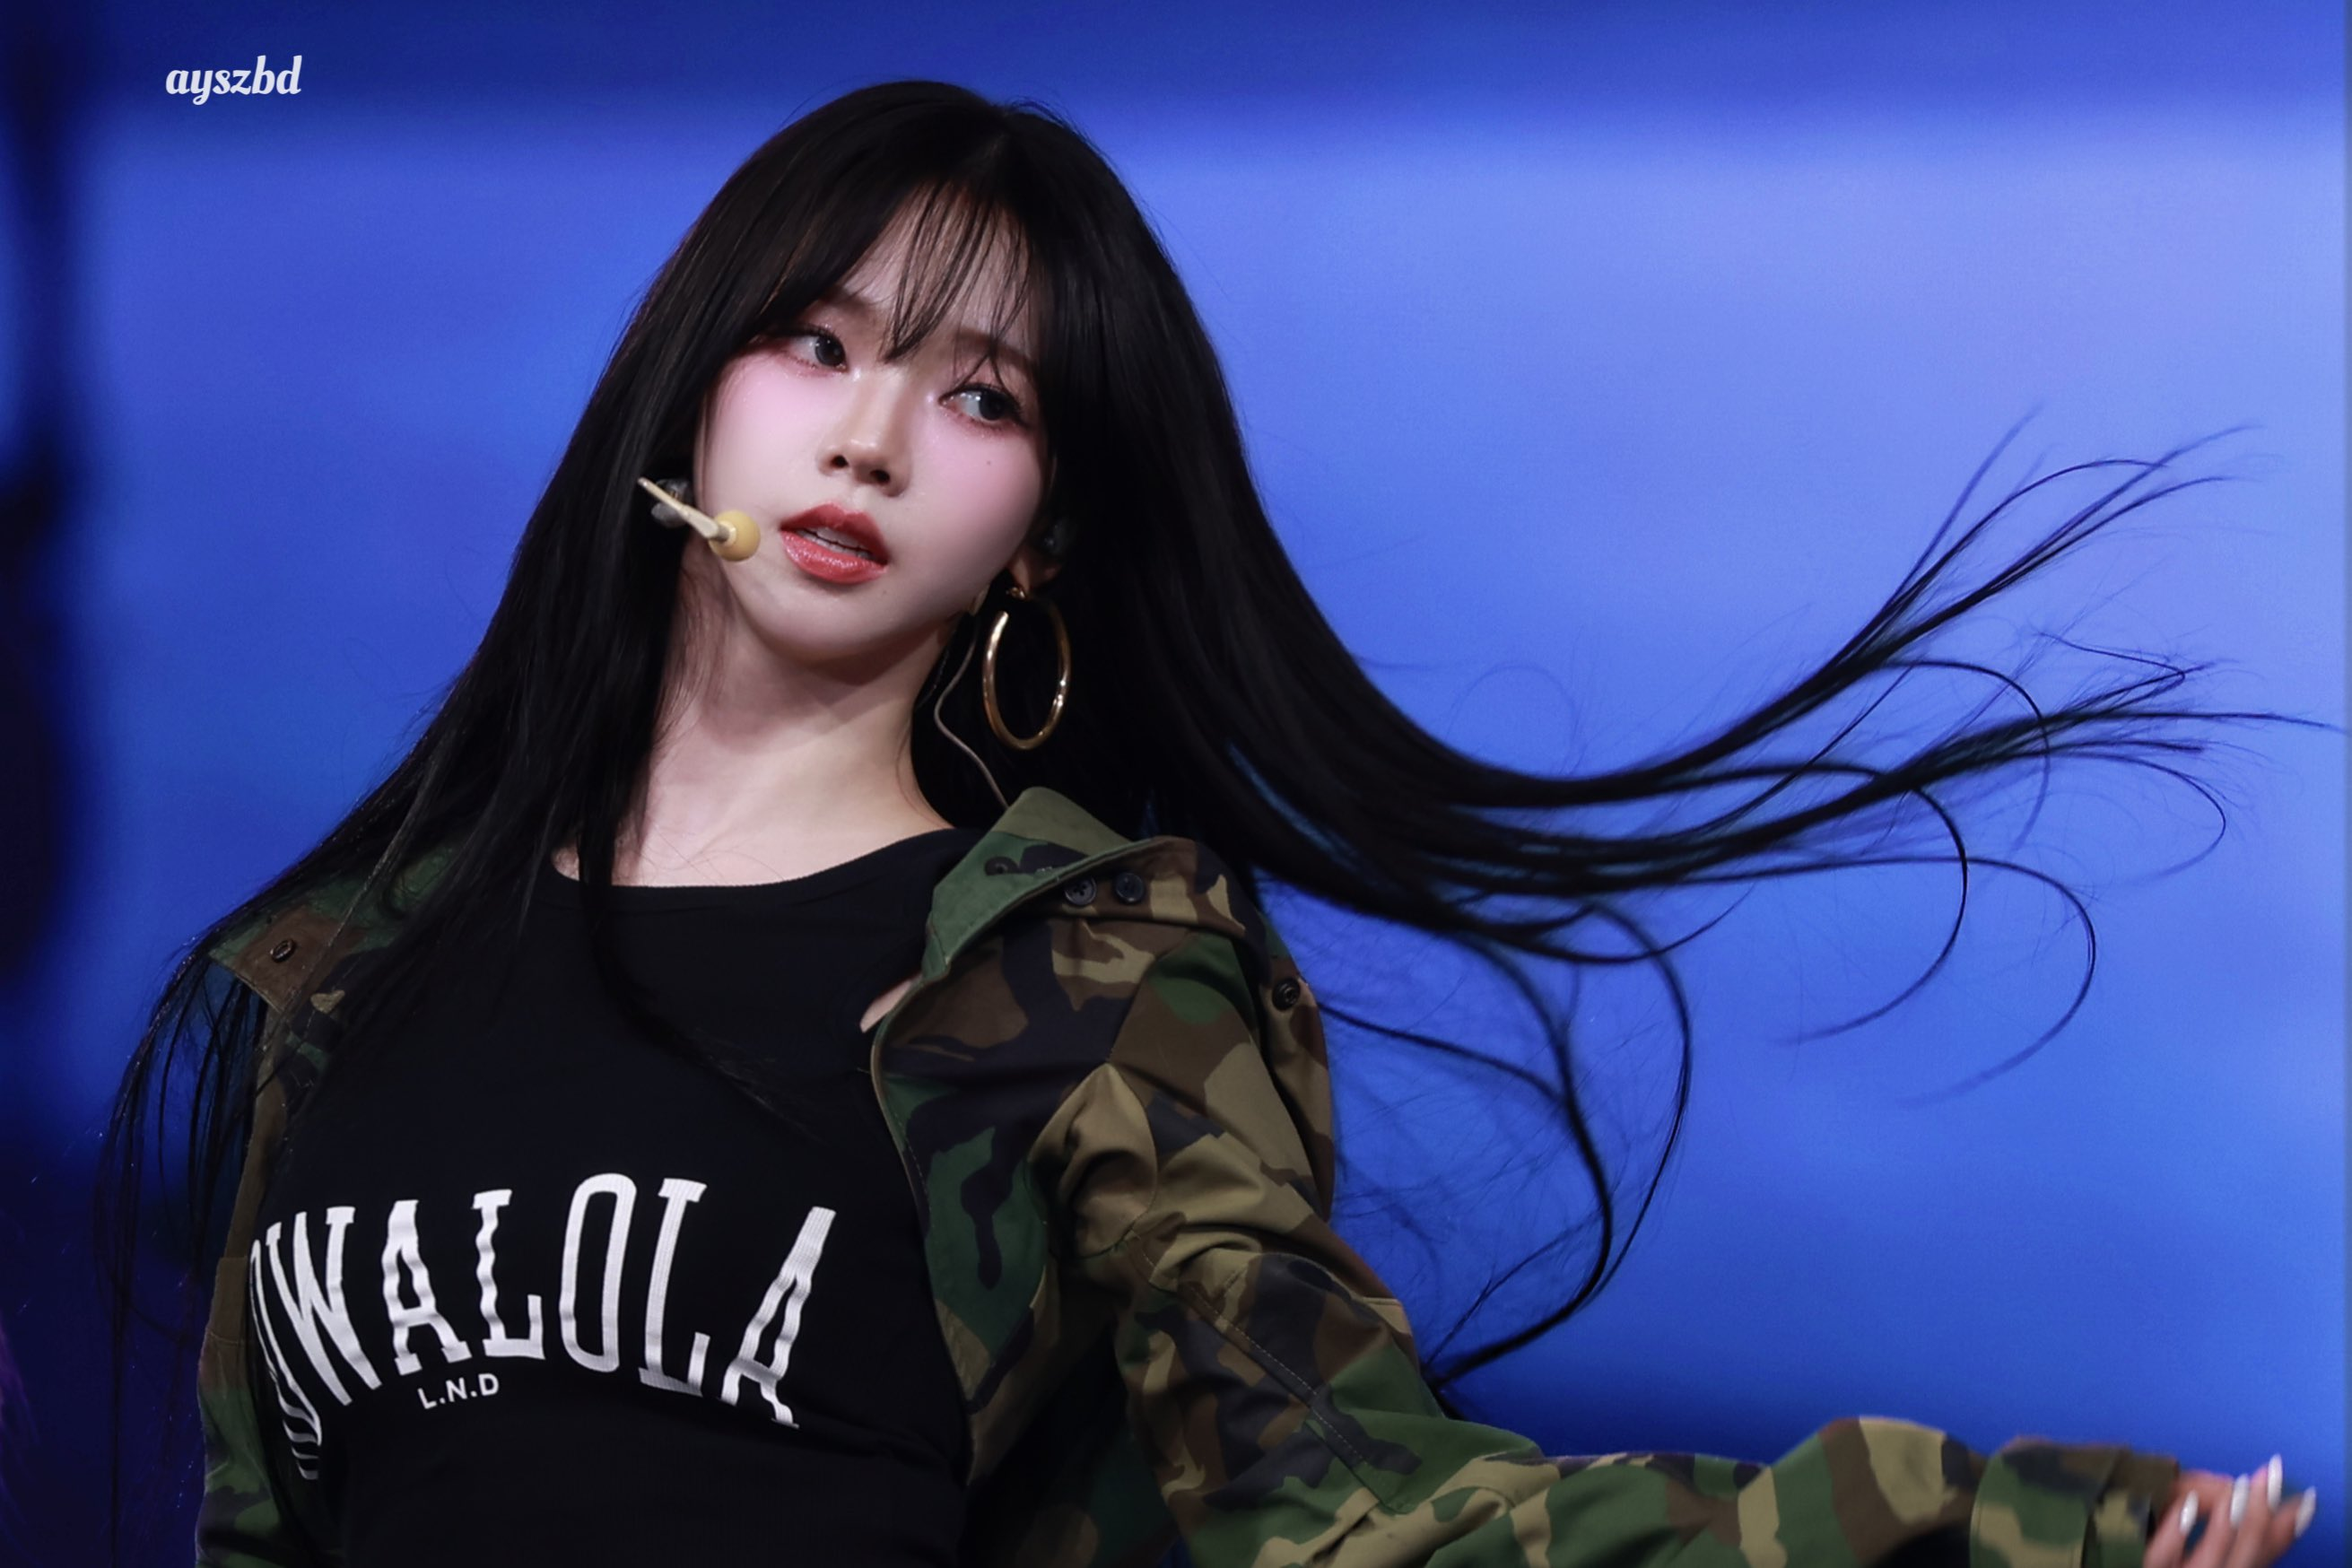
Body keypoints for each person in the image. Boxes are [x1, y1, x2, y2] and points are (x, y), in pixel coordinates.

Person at [103, 80, 2316, 1567]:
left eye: (982, 395)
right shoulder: (352, 974)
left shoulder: (1075, 979)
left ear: (1042, 534)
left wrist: (1957, 1526)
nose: (872, 440)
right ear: (689, 390)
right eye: (817, 342)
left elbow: (1359, 1516)